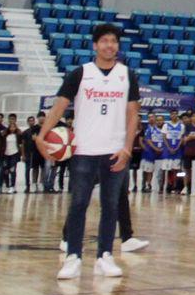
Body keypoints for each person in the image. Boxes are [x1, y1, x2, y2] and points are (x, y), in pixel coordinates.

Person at [39, 23, 140, 281]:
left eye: (114, 41)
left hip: (115, 150)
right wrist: (41, 136)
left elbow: (132, 114)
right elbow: (59, 107)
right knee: (79, 204)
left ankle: (105, 256)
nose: (110, 45)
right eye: (105, 41)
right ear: (95, 45)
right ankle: (73, 256)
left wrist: (127, 148)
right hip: (83, 150)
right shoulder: (80, 74)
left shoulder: (127, 74)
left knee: (110, 206)